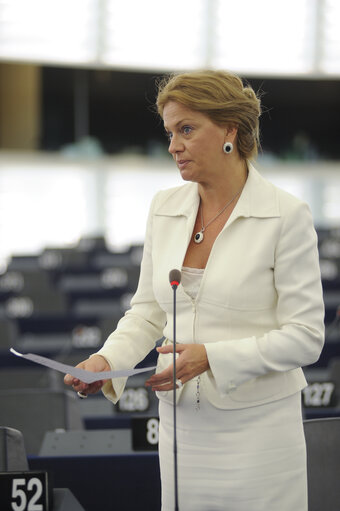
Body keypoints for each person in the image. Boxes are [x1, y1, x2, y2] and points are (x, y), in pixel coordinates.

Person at [64, 70, 325, 511]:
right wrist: (107, 360)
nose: (173, 146)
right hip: (182, 428)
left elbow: (306, 337)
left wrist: (211, 357)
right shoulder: (164, 207)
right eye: (169, 133)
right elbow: (148, 311)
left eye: (186, 130)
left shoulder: (287, 215)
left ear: (229, 129)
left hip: (260, 432)